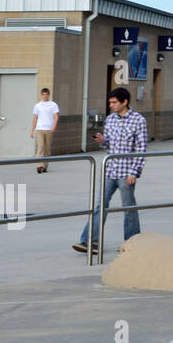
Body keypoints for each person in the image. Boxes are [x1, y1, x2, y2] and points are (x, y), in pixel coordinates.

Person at [74, 87, 146, 254]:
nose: (111, 105)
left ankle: (132, 242)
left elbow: (141, 148)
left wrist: (134, 172)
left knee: (128, 207)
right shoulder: (110, 119)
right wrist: (102, 140)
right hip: (109, 171)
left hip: (126, 172)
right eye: (110, 102)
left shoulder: (138, 120)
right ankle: (90, 241)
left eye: (114, 102)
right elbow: (108, 144)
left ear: (125, 102)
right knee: (99, 205)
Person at [30, 87, 59, 173]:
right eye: (43, 94)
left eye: (46, 94)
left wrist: (54, 126)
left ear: (49, 95)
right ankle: (39, 165)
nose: (45, 96)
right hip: (39, 129)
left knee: (46, 148)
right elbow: (35, 118)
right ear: (41, 95)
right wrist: (32, 130)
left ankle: (45, 166)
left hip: (49, 129)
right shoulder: (38, 105)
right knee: (40, 146)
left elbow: (56, 117)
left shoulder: (53, 105)